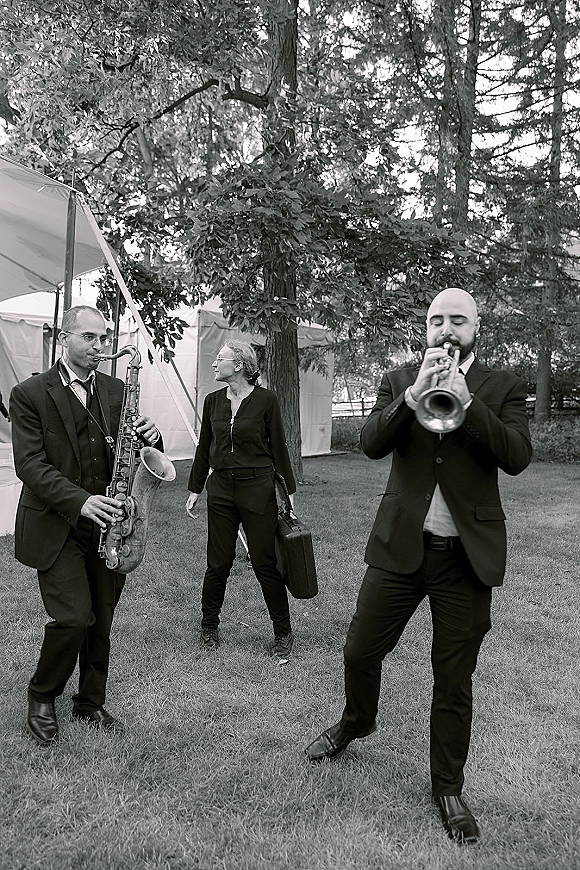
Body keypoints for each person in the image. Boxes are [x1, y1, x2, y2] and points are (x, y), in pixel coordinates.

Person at [304, 287, 532, 844]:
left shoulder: (503, 386)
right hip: (400, 550)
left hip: (465, 560)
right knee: (359, 650)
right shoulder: (400, 377)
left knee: (453, 680)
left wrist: (467, 400)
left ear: (477, 327)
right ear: (425, 327)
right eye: (437, 320)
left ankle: (447, 788)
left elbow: (517, 457)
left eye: (458, 320)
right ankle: (358, 720)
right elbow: (371, 444)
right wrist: (411, 397)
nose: (447, 329)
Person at [10, 305, 162, 746]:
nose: (100, 347)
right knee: (74, 617)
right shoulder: (30, 393)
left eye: (104, 339)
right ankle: (42, 694)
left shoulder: (116, 390)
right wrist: (81, 501)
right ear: (64, 337)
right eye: (90, 338)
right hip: (57, 525)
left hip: (110, 522)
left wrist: (151, 435)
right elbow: (30, 466)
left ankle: (90, 701)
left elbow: (133, 449)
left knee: (102, 618)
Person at [186, 340, 296, 658]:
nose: (214, 364)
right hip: (220, 489)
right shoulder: (212, 401)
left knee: (264, 563)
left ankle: (283, 633)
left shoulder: (266, 401)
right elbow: (204, 447)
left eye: (219, 359)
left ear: (238, 365)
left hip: (257, 488)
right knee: (218, 562)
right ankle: (209, 627)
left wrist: (288, 493)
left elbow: (279, 447)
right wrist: (195, 488)